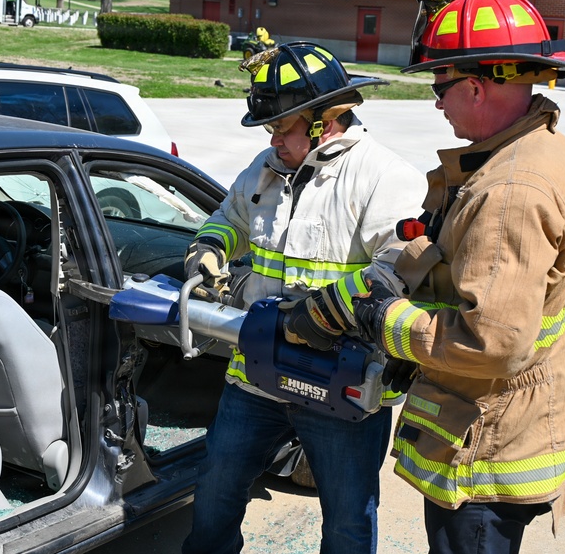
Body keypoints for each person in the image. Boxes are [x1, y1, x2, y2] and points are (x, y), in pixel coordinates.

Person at [352, 0, 565, 554]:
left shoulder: (508, 191)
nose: (438, 105)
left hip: (488, 458)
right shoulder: (540, 146)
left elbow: (492, 342)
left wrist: (386, 320)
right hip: (519, 425)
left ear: (476, 87)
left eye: (440, 88)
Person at [181, 41, 427, 554]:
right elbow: (229, 219)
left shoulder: (384, 177)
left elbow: (402, 268)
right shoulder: (265, 167)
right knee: (215, 492)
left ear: (324, 121)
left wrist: (324, 313)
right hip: (256, 375)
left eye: (281, 127)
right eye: (268, 129)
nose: (273, 139)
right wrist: (209, 248)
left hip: (342, 386)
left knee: (348, 522)